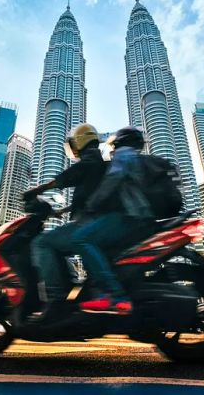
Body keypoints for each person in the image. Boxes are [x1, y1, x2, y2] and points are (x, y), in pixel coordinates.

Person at [70, 127, 158, 315]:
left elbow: (113, 179)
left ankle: (114, 296)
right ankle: (108, 291)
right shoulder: (137, 157)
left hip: (131, 217)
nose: (113, 147)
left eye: (115, 143)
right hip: (142, 217)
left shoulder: (124, 154)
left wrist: (92, 204)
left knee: (81, 238)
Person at [23, 123, 107, 322]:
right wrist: (60, 211)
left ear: (81, 140)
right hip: (96, 222)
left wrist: (37, 190)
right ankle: (71, 292)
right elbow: (88, 198)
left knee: (41, 243)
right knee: (58, 245)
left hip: (88, 225)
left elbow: (66, 177)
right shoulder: (101, 165)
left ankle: (55, 300)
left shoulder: (90, 161)